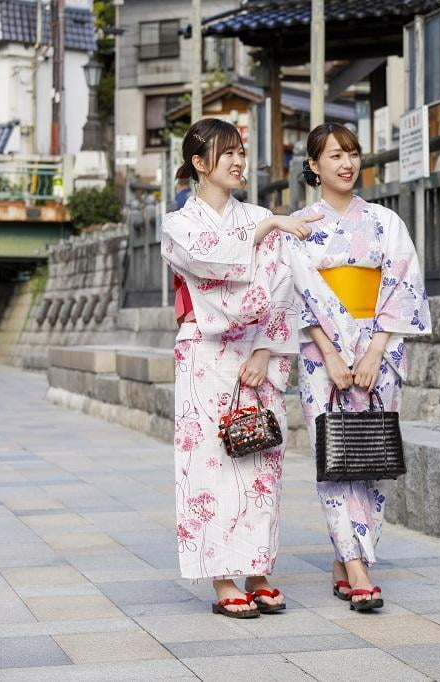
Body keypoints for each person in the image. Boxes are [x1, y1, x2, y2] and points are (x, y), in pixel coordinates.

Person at [160, 118, 322, 618]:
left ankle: (257, 568)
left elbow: (281, 289)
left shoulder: (255, 216)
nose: (236, 161)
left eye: (240, 152)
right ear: (198, 163)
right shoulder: (179, 225)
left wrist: (263, 350)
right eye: (225, 152)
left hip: (256, 357)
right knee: (210, 465)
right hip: (206, 355)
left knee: (259, 465)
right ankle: (222, 576)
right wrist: (269, 226)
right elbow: (212, 266)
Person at [293, 123, 432, 611]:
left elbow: (403, 286)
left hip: (379, 348)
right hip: (320, 355)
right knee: (334, 457)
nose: (346, 163)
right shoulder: (299, 226)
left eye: (352, 154)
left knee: (370, 455)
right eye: (334, 156)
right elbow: (295, 295)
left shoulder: (384, 222)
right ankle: (357, 567)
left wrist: (374, 351)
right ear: (314, 165)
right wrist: (331, 353)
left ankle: (346, 559)